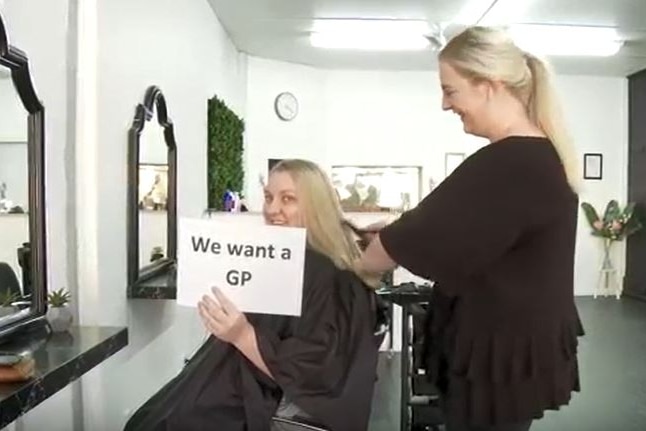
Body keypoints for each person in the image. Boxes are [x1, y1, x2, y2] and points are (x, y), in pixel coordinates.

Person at [358, 26, 583, 431]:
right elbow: (464, 228)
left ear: (487, 85)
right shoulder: (539, 156)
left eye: (450, 90)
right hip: (518, 348)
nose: (445, 104)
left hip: (496, 353)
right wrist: (398, 229)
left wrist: (360, 264)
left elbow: (415, 237)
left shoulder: (507, 162)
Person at [124, 159, 383, 431]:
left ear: (316, 206)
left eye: (288, 199)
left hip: (263, 406)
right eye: (269, 197)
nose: (272, 209)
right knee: (151, 418)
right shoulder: (287, 265)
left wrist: (242, 335)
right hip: (234, 388)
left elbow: (316, 375)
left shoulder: (333, 279)